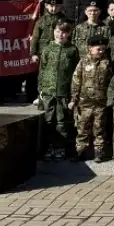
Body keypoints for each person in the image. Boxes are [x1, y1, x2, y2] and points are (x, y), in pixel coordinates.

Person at [38, 21, 80, 160]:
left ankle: (60, 148)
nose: (60, 34)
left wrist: (73, 94)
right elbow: (42, 70)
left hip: (64, 92)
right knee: (48, 121)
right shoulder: (47, 49)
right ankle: (48, 148)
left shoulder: (72, 50)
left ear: (68, 34)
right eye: (57, 31)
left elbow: (76, 73)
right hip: (48, 92)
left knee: (62, 121)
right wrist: (40, 90)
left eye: (64, 32)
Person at [70, 35, 112, 162]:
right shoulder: (83, 62)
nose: (101, 52)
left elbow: (110, 82)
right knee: (82, 128)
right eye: (98, 49)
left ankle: (99, 152)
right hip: (84, 102)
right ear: (90, 49)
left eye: (103, 49)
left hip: (100, 102)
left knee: (99, 128)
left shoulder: (106, 62)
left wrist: (110, 99)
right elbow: (76, 81)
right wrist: (73, 99)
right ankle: (80, 152)